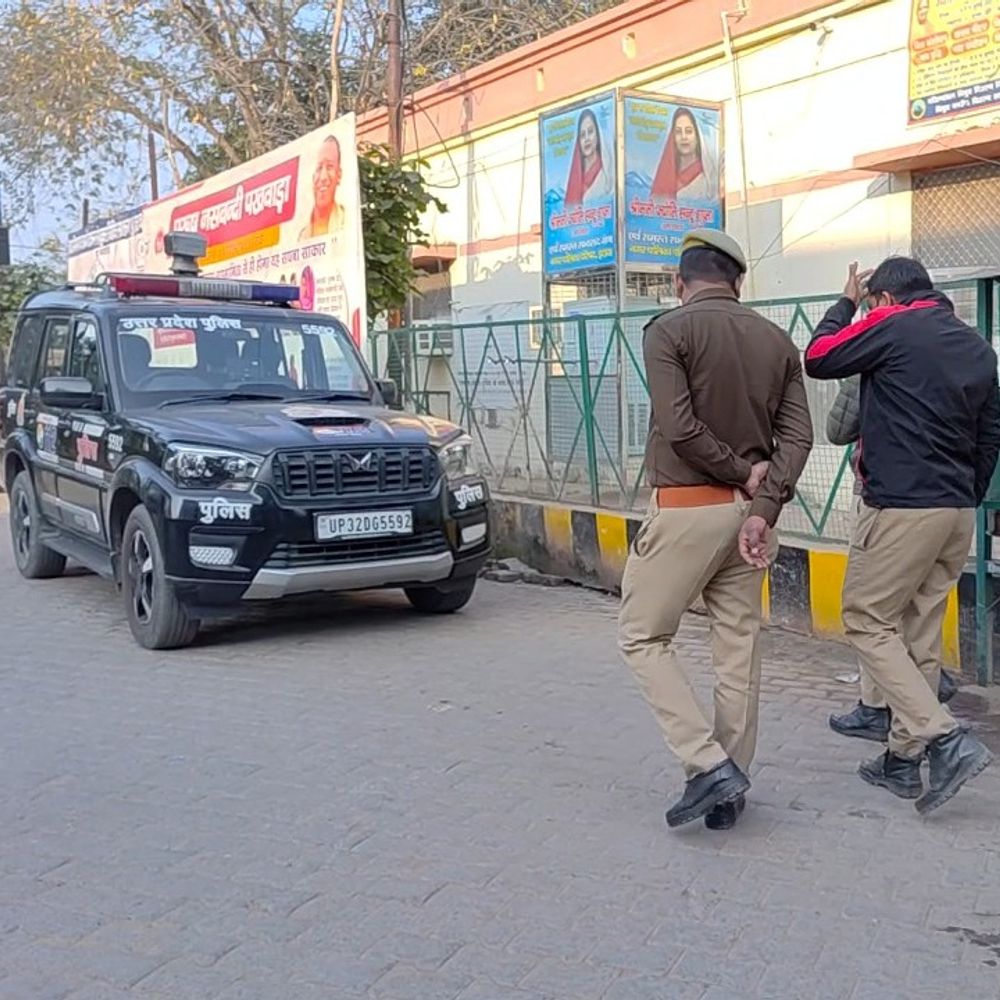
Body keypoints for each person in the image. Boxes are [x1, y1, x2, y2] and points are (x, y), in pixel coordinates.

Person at [618, 229, 813, 832]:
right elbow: (799, 437)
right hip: (748, 520)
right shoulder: (777, 341)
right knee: (738, 647)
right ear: (739, 282)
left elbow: (677, 427)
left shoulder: (668, 331)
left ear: (680, 282)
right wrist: (762, 504)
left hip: (687, 509)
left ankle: (706, 766)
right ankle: (729, 788)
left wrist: (736, 471)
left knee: (642, 636)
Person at [805, 258, 1000, 814]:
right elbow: (991, 433)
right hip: (956, 509)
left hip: (903, 507)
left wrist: (846, 303)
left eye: (871, 304)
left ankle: (944, 737)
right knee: (920, 632)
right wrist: (965, 494)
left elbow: (818, 357)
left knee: (866, 619)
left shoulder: (893, 325)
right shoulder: (977, 346)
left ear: (885, 299)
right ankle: (901, 761)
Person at [826, 375, 959, 742]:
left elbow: (838, 429)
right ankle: (910, 740)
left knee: (871, 614)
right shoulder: (962, 354)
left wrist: (856, 371)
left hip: (886, 500)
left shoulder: (879, 356)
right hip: (949, 499)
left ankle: (887, 710)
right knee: (923, 617)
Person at [650, 107, 717, 203]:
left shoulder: (709, 176)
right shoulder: (666, 176)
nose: (684, 137)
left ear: (697, 136)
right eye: (678, 132)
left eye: (689, 131)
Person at [564, 108, 613, 207]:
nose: (586, 139)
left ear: (597, 134)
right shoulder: (576, 177)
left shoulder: (607, 173)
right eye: (582, 135)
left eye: (590, 132)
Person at [300, 135, 346, 239]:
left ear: (339, 175)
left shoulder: (347, 223)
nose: (323, 177)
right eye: (319, 168)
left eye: (329, 167)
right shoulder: (302, 236)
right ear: (313, 177)